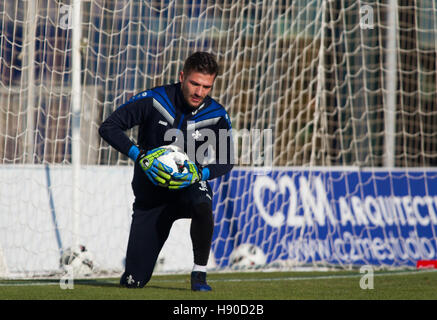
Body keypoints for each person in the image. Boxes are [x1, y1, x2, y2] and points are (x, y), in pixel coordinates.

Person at [99, 52, 234, 291]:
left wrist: (198, 174)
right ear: (182, 77)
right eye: (194, 83)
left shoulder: (216, 115)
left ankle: (199, 276)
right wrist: (140, 156)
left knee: (203, 205)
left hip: (188, 187)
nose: (199, 92)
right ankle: (136, 271)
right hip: (151, 198)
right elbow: (109, 127)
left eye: (206, 87)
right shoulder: (154, 100)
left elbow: (227, 160)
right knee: (133, 282)